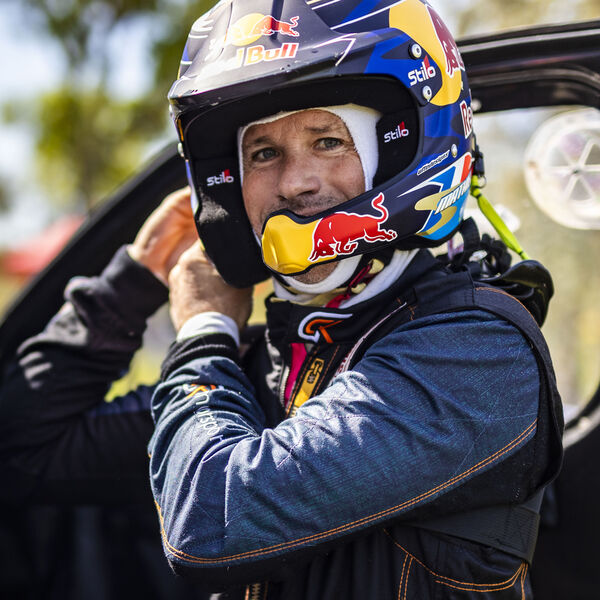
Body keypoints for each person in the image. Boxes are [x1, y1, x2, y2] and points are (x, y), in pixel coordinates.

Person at [0, 0, 563, 598]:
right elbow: (20, 450)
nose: (295, 183)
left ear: (398, 151)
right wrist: (133, 281)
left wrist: (202, 333)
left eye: (328, 141)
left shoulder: (478, 350)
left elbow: (210, 524)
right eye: (264, 154)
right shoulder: (270, 365)